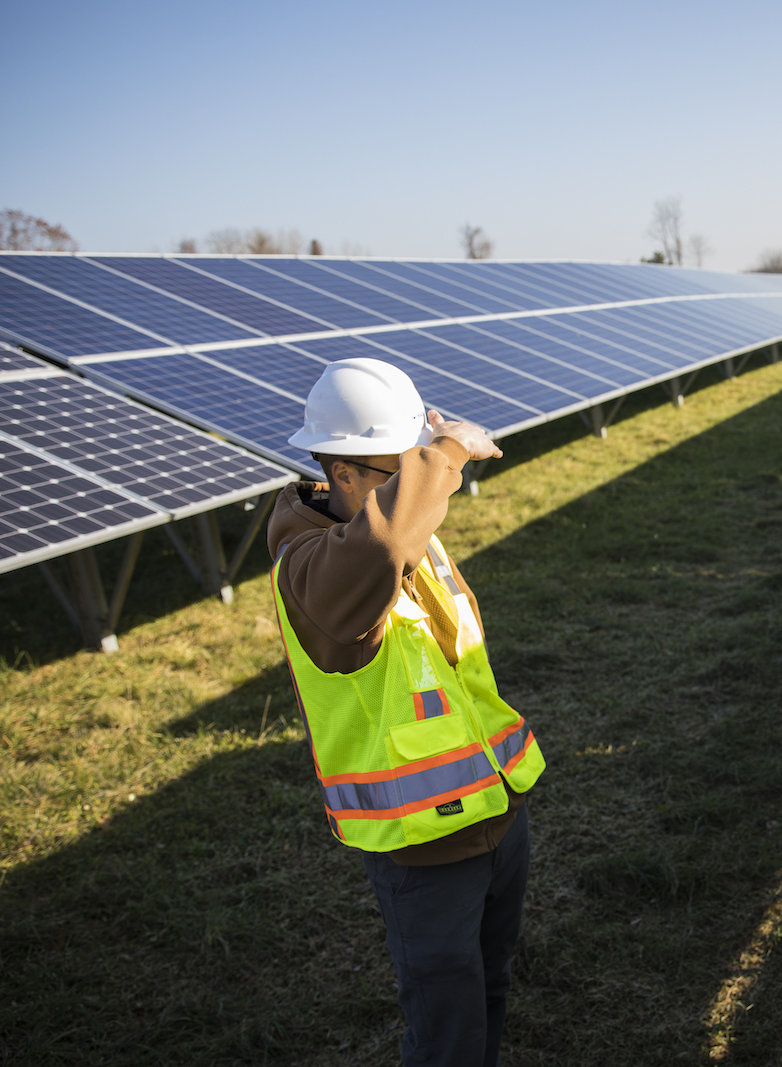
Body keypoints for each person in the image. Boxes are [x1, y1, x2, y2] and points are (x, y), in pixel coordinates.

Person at [266, 358, 546, 1067]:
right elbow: (382, 545)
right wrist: (446, 452)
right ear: (340, 473)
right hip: (422, 850)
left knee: (489, 991)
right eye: (399, 469)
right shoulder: (315, 571)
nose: (420, 485)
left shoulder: (394, 526)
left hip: (494, 813)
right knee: (446, 1031)